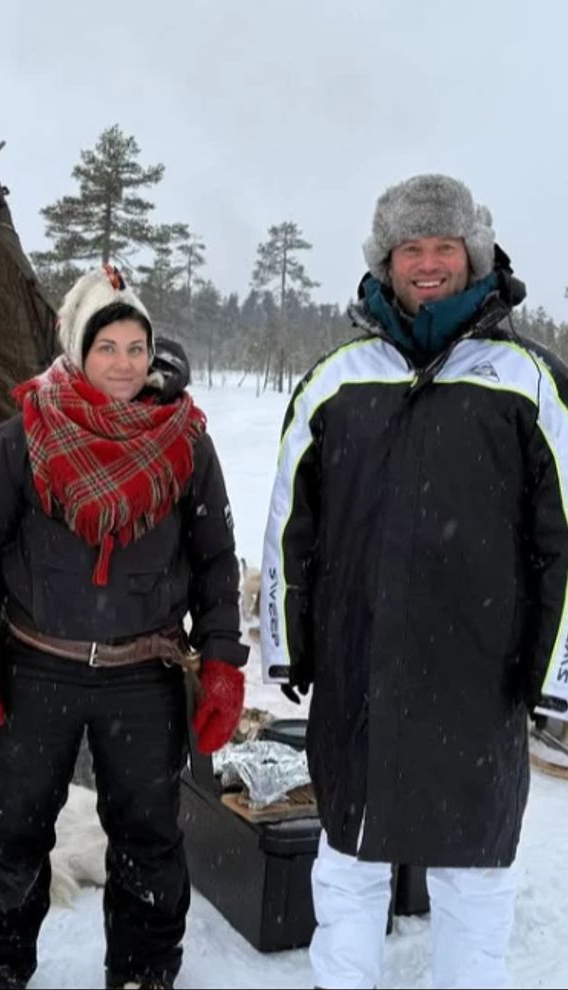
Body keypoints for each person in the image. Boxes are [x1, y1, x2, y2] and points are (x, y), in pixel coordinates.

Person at [260, 173, 568, 989]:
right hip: (360, 676)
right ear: (386, 261)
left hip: (481, 680)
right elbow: (292, 521)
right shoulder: (338, 378)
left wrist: (555, 670)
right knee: (348, 864)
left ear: (472, 255)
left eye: (443, 247)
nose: (427, 263)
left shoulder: (529, 381)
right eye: (410, 249)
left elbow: (563, 541)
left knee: (474, 879)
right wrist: (290, 646)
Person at [0, 265, 248, 990]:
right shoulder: (19, 442)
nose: (123, 362)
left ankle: (144, 971)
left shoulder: (186, 444)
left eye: (136, 346)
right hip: (35, 669)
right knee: (12, 831)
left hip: (143, 674)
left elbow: (215, 564)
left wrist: (222, 663)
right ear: (79, 351)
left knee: (149, 837)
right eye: (106, 346)